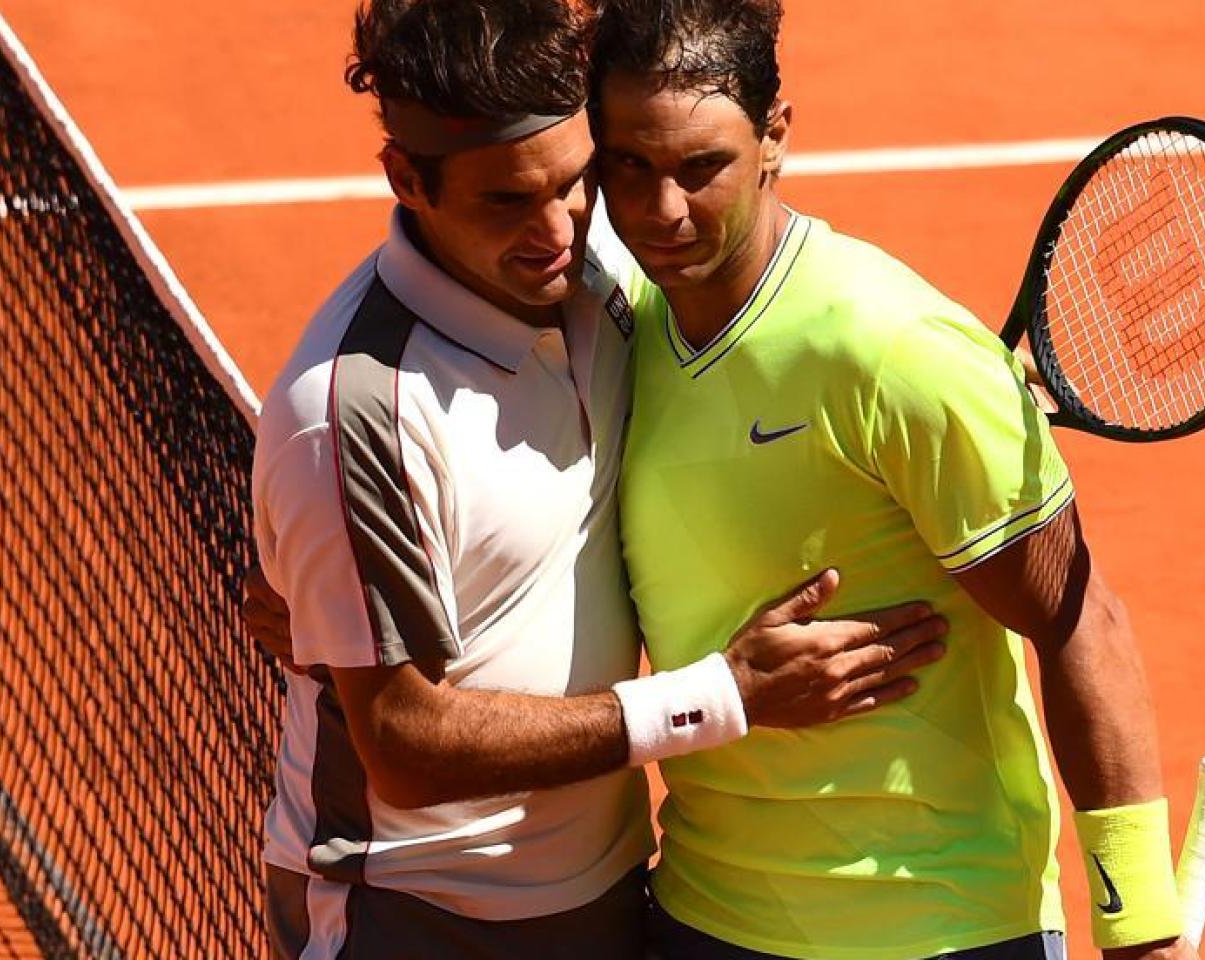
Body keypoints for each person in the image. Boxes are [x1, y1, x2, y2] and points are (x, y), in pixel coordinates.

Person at [247, 2, 949, 958]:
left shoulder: (604, 276)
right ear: (407, 179)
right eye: (506, 201)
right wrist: (719, 696)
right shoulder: (355, 414)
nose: (556, 233)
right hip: (418, 914)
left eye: (575, 183)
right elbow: (404, 746)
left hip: (611, 890)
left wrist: (955, 389)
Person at [588, 1, 1199, 959]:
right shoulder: (618, 322)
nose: (663, 210)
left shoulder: (895, 352)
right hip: (709, 913)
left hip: (937, 926)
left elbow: (1081, 620)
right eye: (631, 164)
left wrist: (1141, 927)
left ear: (775, 136)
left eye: (702, 168)